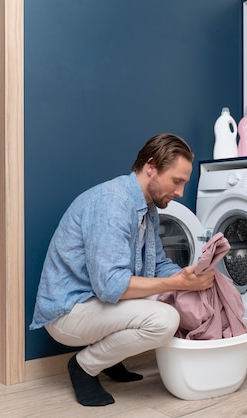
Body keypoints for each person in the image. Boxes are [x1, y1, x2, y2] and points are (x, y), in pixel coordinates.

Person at [29, 133, 216, 407]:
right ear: (151, 166)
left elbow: (160, 265)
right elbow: (111, 286)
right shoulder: (112, 203)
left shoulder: (147, 208)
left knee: (172, 299)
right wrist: (178, 284)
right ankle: (84, 367)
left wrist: (190, 275)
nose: (180, 193)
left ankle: (110, 359)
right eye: (177, 181)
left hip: (97, 304)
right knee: (164, 319)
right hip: (69, 312)